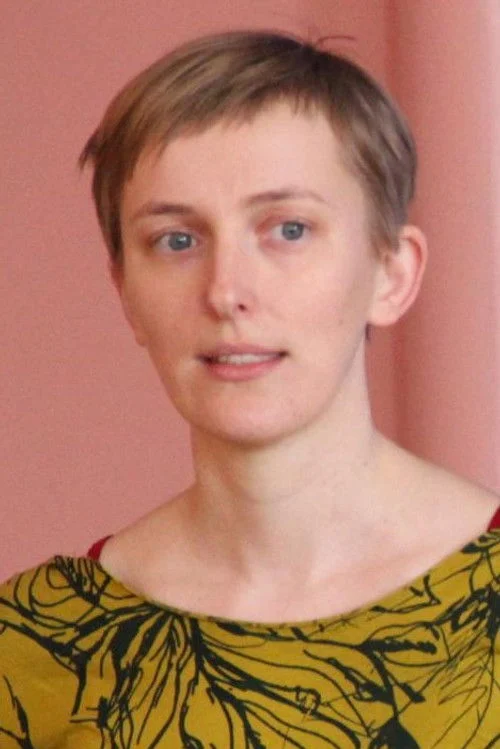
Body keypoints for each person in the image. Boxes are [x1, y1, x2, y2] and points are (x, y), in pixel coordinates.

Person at [1, 30, 498, 749]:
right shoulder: (39, 643)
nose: (226, 291)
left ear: (393, 274)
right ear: (125, 292)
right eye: (177, 240)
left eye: (288, 229)